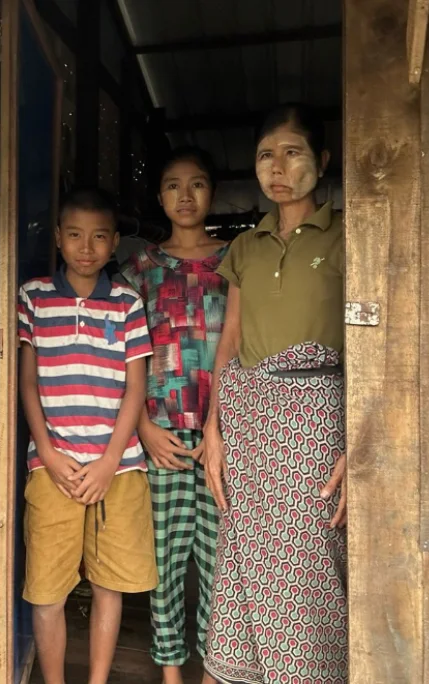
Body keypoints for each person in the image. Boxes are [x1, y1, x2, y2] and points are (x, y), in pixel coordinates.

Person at [201, 104, 347, 683]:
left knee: (311, 560)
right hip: (248, 422)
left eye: (293, 152)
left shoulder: (346, 236)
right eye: (267, 155)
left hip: (317, 424)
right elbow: (230, 338)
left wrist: (358, 449)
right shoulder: (246, 247)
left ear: (323, 161)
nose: (278, 167)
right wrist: (213, 429)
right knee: (240, 559)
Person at [18, 188, 158, 684]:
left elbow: (135, 389)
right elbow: (28, 383)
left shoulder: (127, 303)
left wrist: (106, 463)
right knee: (47, 591)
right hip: (52, 468)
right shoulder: (34, 298)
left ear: (115, 242)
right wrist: (50, 456)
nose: (85, 246)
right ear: (58, 238)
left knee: (109, 586)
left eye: (99, 237)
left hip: (117, 471)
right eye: (74, 234)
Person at [120, 147, 226, 684]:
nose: (185, 196)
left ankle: (213, 667)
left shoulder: (237, 262)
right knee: (162, 567)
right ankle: (170, 671)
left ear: (214, 191)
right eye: (172, 185)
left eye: (198, 184)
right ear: (159, 196)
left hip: (222, 441)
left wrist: (225, 432)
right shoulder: (138, 271)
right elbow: (123, 359)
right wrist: (142, 427)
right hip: (158, 436)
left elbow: (248, 349)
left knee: (218, 565)